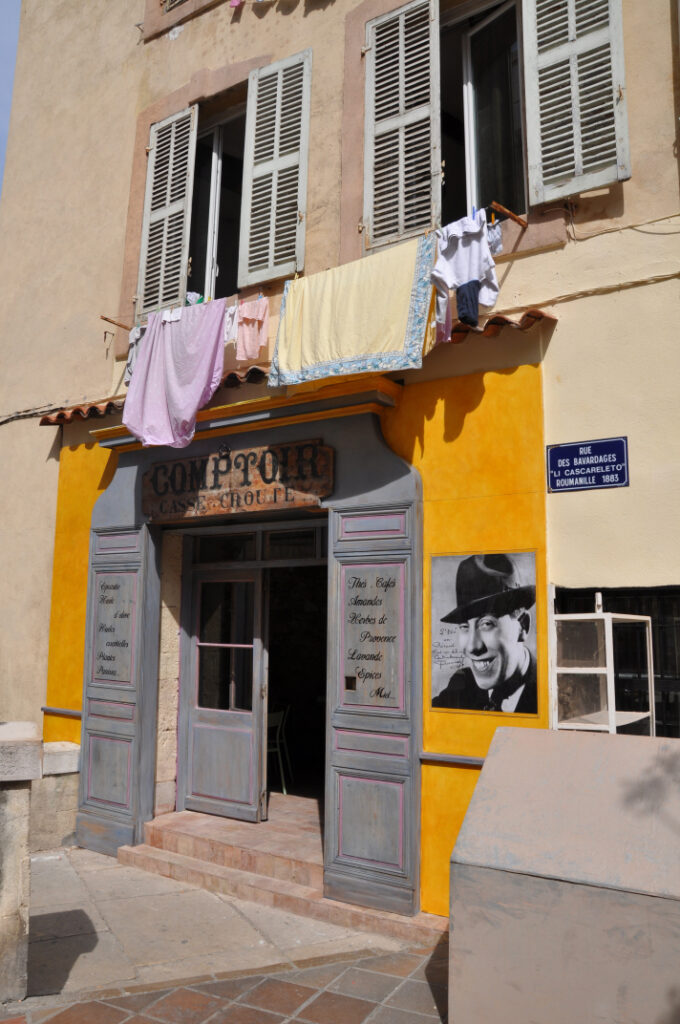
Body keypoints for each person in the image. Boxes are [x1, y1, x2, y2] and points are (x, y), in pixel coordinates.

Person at [432, 553, 537, 713]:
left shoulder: (550, 692)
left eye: (487, 623)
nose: (473, 646)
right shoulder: (462, 686)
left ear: (523, 626)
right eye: (464, 626)